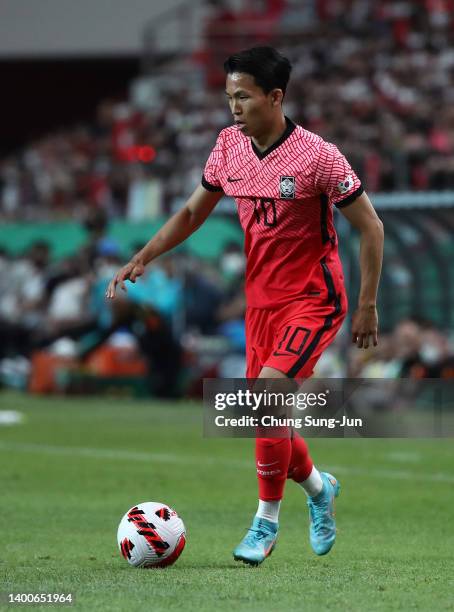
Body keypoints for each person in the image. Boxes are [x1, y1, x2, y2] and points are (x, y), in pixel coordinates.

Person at [106, 46, 384, 566]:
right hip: (261, 304)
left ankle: (265, 523)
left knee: (267, 396)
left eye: (243, 96)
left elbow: (371, 226)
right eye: (228, 96)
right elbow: (193, 211)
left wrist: (367, 305)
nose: (233, 106)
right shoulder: (228, 147)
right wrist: (143, 255)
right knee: (266, 416)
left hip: (313, 297)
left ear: (275, 97)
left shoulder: (319, 156)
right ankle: (322, 491)